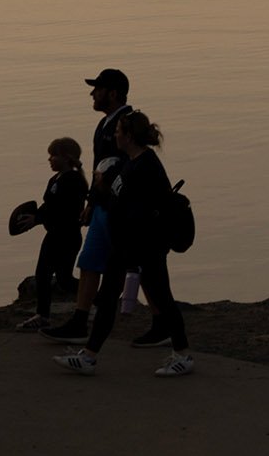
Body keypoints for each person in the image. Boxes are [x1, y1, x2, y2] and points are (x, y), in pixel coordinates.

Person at [55, 108, 191, 378]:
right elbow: (121, 201)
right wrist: (102, 191)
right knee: (107, 300)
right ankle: (90, 357)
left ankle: (183, 355)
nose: (114, 135)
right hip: (124, 246)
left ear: (129, 136)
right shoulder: (130, 161)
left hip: (145, 246)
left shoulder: (147, 166)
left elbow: (144, 209)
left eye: (118, 132)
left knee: (162, 297)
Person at [41, 68, 132, 343]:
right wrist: (91, 202)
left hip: (118, 208)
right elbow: (98, 169)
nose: (92, 93)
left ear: (112, 93)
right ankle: (79, 322)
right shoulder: (105, 124)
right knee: (90, 262)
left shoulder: (127, 123)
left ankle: (164, 324)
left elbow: (126, 166)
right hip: (102, 206)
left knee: (138, 268)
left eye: (98, 89)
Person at [24, 137, 86, 327]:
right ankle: (43, 315)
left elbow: (64, 210)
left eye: (53, 155)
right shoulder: (55, 179)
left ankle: (43, 316)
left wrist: (39, 219)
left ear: (66, 158)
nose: (50, 159)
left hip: (66, 235)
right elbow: (48, 205)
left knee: (61, 279)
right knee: (50, 275)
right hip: (53, 234)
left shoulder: (74, 181)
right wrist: (34, 218)